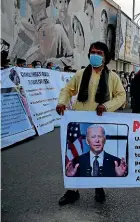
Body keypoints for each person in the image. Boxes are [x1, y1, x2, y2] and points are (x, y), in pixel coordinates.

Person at [56, 41, 126, 206]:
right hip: (79, 121)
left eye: (99, 53)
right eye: (92, 52)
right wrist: (62, 102)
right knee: (75, 156)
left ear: (105, 57)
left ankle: (98, 187)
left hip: (101, 123)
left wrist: (106, 106)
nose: (95, 55)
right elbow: (68, 90)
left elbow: (121, 96)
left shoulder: (113, 77)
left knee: (98, 155)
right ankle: (72, 191)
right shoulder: (80, 74)